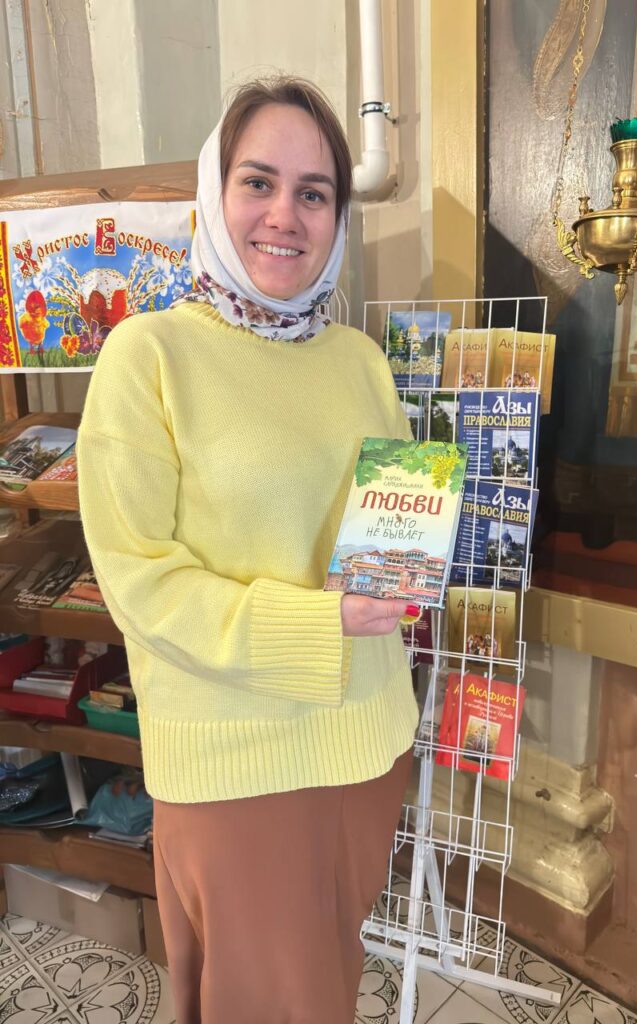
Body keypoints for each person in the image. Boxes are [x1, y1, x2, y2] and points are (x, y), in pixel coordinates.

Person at [77, 76, 419, 1024]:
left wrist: (415, 548)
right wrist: (320, 622)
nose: (284, 215)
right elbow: (140, 583)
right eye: (258, 182)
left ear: (338, 217)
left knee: (325, 985)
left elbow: (385, 526)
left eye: (314, 192)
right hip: (239, 762)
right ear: (213, 192)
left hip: (368, 741)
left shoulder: (359, 359)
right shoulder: (149, 355)